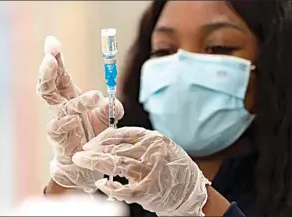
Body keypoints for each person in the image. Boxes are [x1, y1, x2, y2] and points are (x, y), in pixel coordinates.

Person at [36, 1, 292, 216]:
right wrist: (66, 184)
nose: (180, 68)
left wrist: (198, 202)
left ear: (273, 63)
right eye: (163, 50)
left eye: (218, 46)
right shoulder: (123, 186)